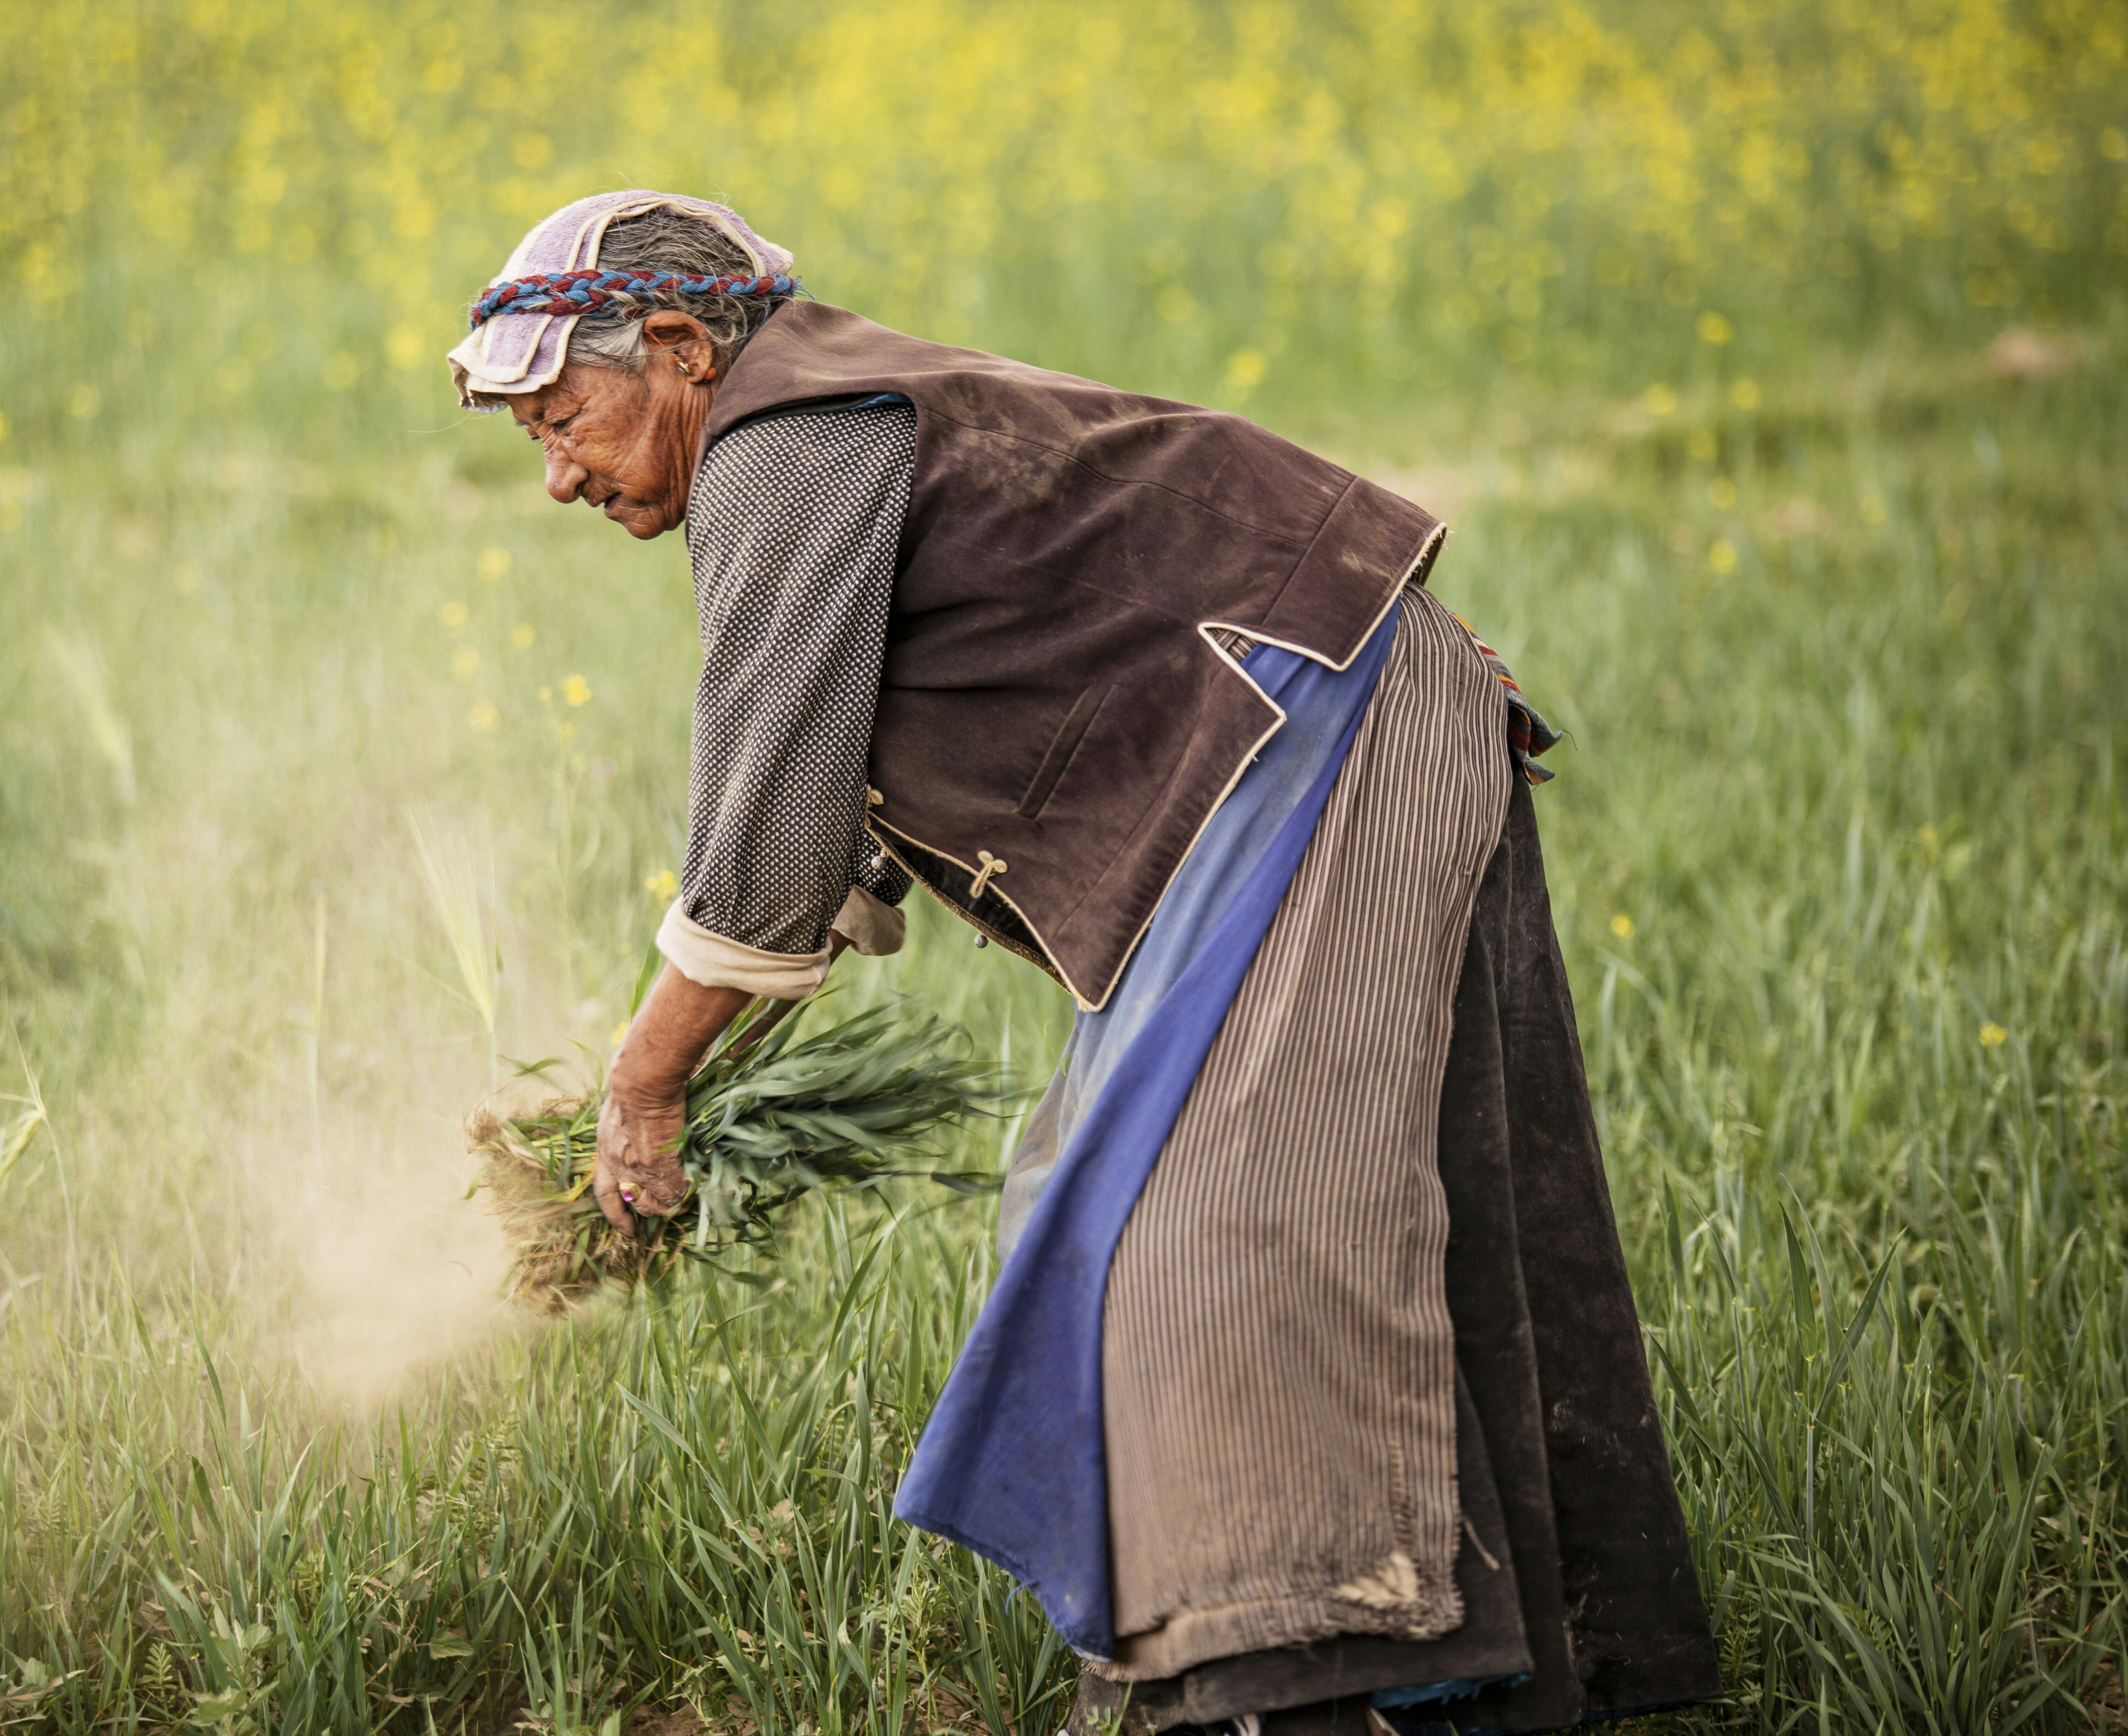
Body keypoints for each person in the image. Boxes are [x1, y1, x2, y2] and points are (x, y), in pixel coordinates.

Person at [447, 190, 1721, 1735]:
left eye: (568, 420)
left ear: (675, 349)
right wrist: (700, 1063)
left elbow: (769, 836)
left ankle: (1280, 1687)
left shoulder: (787, 440)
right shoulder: (803, 432)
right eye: (534, 442)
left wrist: (643, 1090)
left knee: (1191, 1243)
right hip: (1290, 742)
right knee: (1151, 1207)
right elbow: (825, 832)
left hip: (1313, 736)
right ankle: (1415, 1680)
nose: (560, 473)